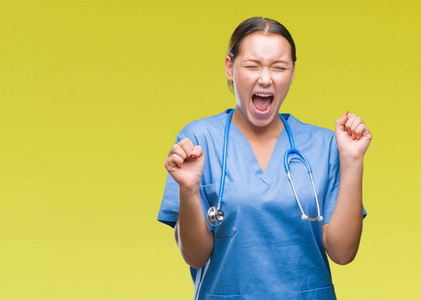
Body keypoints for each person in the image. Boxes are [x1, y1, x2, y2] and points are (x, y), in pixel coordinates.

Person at [158, 17, 372, 300]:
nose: (266, 78)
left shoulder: (324, 145)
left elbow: (343, 253)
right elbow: (195, 257)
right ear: (229, 68)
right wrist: (188, 189)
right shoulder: (198, 140)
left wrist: (353, 159)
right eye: (252, 66)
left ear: (293, 72)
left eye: (279, 67)